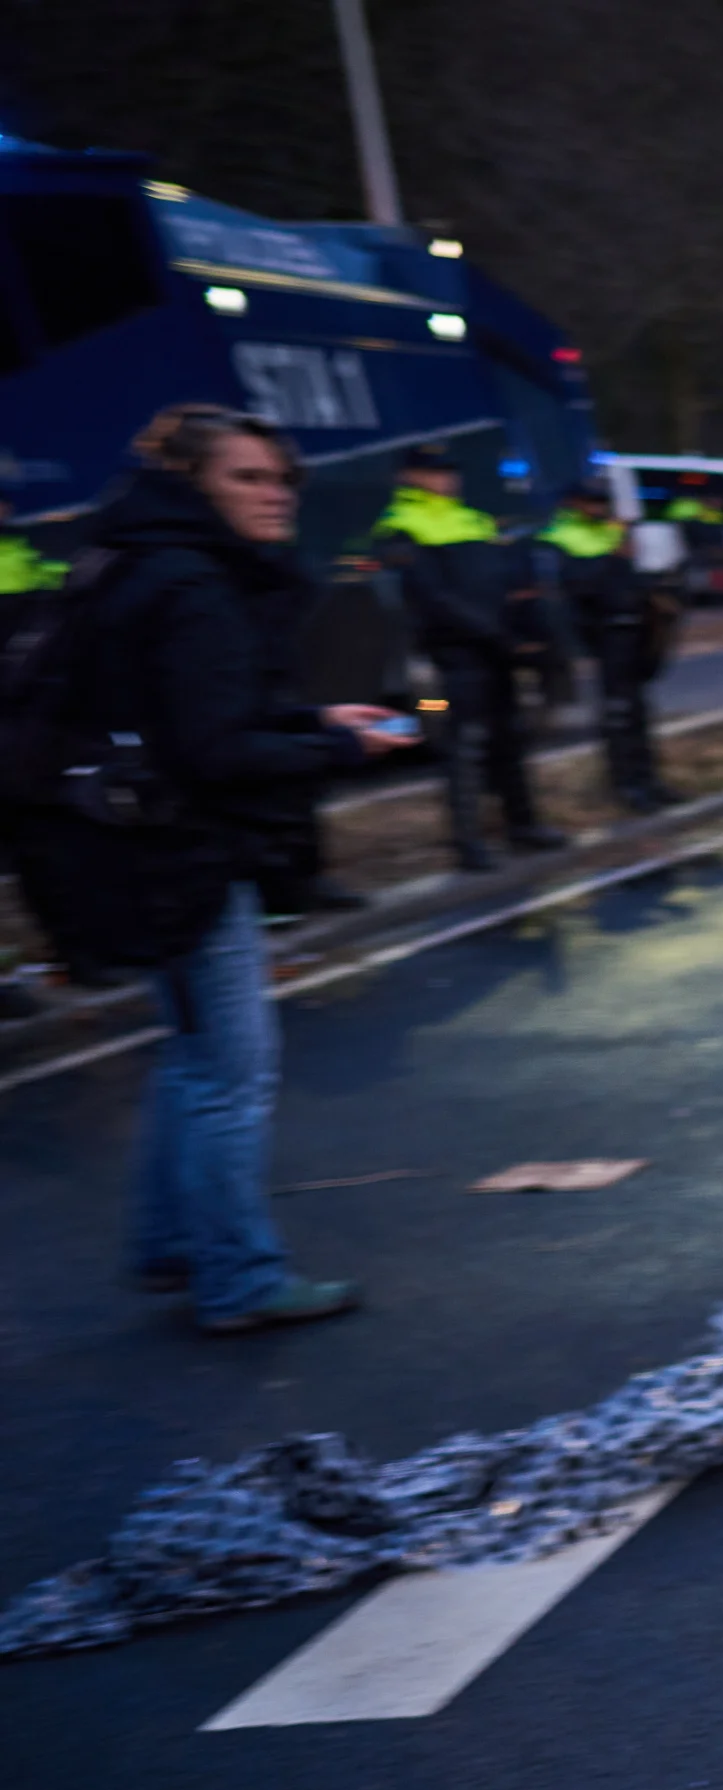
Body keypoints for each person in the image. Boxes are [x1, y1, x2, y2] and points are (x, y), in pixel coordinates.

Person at [50, 407, 409, 1330]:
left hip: (131, 844)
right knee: (232, 1077)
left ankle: (172, 1245)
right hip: (187, 856)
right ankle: (237, 1279)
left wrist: (315, 723)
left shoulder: (130, 560)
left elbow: (180, 722)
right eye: (247, 477)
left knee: (189, 1059)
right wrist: (335, 752)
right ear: (193, 483)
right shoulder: (194, 584)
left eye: (282, 478)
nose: (274, 495)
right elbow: (215, 751)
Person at [366, 446, 560, 869]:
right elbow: (431, 598)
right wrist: (495, 634)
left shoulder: (475, 519)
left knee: (510, 738)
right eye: (433, 472)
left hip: (497, 650)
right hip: (452, 656)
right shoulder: (400, 526)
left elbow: (508, 579)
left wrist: (524, 629)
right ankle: (469, 843)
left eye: (449, 471)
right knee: (464, 745)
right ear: (408, 477)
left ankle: (523, 826)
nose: (446, 479)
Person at [538, 485, 673, 814]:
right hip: (601, 633)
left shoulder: (612, 533)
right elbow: (580, 586)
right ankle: (627, 785)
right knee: (618, 713)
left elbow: (631, 579)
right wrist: (614, 553)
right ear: (574, 503)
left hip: (632, 631)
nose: (599, 509)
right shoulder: (560, 538)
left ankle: (650, 780)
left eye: (603, 502)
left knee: (638, 710)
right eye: (592, 502)